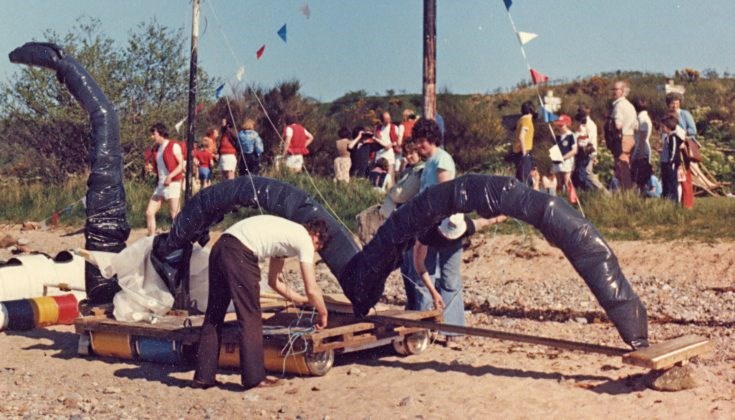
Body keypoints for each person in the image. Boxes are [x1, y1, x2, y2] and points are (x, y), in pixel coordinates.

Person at [192, 215, 331, 390]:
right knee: (250, 317)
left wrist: (302, 300)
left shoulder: (287, 234)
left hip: (221, 246)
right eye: (318, 247)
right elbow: (312, 287)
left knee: (214, 314)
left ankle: (203, 377)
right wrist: (323, 312)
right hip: (240, 252)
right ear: (316, 235)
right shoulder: (304, 238)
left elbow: (274, 281)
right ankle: (254, 378)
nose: (315, 250)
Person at [409, 118, 466, 344]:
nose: (418, 146)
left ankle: (453, 331)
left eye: (422, 141)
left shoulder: (442, 160)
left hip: (445, 227)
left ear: (432, 139)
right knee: (426, 275)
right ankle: (426, 326)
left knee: (450, 278)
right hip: (428, 226)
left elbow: (445, 195)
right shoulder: (428, 164)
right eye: (417, 141)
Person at [145, 123, 184, 236]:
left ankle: (181, 239)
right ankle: (151, 239)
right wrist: (151, 168)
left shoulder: (173, 145)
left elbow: (181, 165)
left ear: (161, 133)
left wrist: (170, 176)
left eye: (154, 134)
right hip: (161, 185)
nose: (152, 137)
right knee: (149, 212)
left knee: (174, 215)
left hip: (173, 184)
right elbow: (160, 168)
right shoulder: (157, 149)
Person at [605, 80, 637, 190]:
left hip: (621, 138)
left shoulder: (618, 106)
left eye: (615, 89)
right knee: (627, 166)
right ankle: (628, 193)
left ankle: (626, 194)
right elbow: (636, 125)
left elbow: (618, 125)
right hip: (630, 137)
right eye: (612, 89)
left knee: (622, 168)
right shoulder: (630, 105)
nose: (613, 92)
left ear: (622, 91)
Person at [667, 93, 697, 209]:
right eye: (672, 102)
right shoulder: (668, 115)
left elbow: (693, 130)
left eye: (676, 102)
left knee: (685, 175)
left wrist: (682, 134)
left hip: (683, 148)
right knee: (675, 177)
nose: (674, 105)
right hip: (671, 148)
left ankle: (687, 204)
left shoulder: (684, 114)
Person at [575, 104, 607, 192]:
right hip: (582, 152)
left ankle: (602, 192)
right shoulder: (582, 124)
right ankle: (595, 192)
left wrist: (593, 156)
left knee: (586, 175)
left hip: (587, 153)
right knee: (584, 175)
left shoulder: (590, 125)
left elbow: (590, 140)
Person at [659, 115, 685, 203]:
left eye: (663, 126)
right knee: (665, 182)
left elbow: (673, 150)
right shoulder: (667, 137)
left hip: (670, 164)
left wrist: (671, 161)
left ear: (668, 127)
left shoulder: (673, 137)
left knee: (672, 183)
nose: (662, 128)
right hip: (665, 163)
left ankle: (673, 201)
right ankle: (666, 199)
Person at [551, 115, 577, 196]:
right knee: (557, 181)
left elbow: (574, 151)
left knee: (566, 181)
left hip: (567, 162)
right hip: (557, 162)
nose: (560, 127)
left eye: (561, 125)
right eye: (558, 125)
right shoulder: (557, 136)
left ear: (567, 124)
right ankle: (558, 196)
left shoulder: (571, 136)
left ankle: (568, 197)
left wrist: (564, 157)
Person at [632, 98, 653, 194]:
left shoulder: (642, 118)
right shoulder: (644, 117)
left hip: (642, 147)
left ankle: (645, 193)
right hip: (642, 146)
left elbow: (643, 135)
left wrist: (640, 152)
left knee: (640, 173)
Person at [513, 101, 536, 185]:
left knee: (522, 178)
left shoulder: (521, 120)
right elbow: (521, 136)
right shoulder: (527, 120)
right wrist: (524, 154)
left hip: (518, 152)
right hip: (523, 152)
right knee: (524, 180)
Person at [374, 111, 399, 179]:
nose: (388, 120)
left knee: (390, 177)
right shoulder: (377, 128)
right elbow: (374, 140)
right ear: (382, 120)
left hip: (389, 156)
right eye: (386, 119)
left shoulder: (394, 127)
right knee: (378, 177)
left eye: (389, 118)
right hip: (379, 156)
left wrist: (391, 145)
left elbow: (398, 141)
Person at [396, 109, 417, 173]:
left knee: (401, 170)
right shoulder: (416, 125)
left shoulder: (402, 126)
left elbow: (399, 142)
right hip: (416, 151)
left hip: (406, 151)